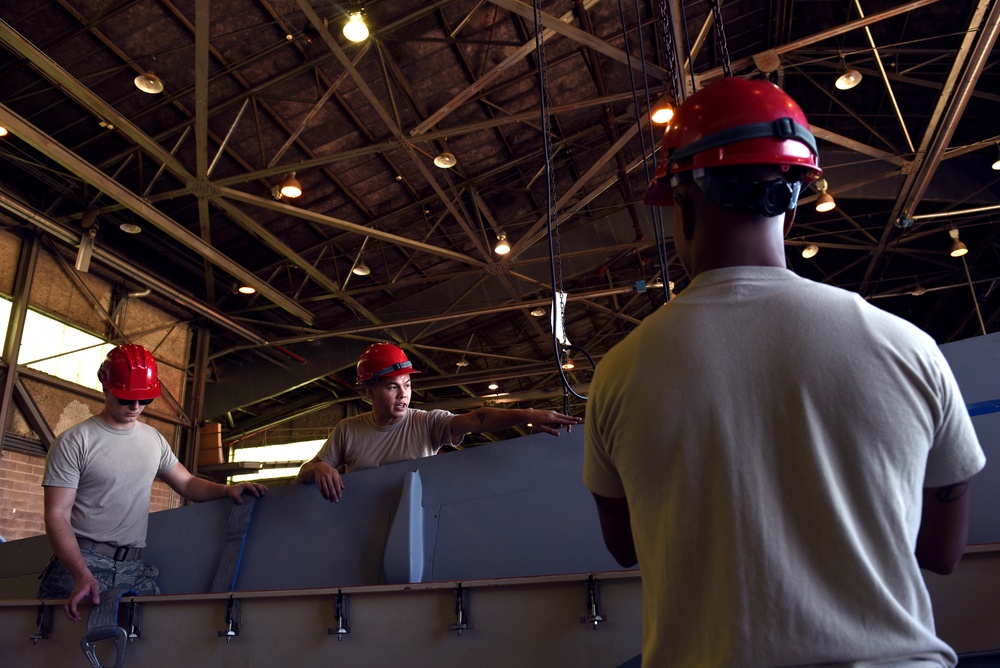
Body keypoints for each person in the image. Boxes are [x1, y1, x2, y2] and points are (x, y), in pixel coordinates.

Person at [583, 77, 986, 667]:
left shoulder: (620, 373)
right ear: (791, 204)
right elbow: (943, 553)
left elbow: (624, 548)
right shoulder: (909, 347)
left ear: (685, 200)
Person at [39, 344, 267, 622]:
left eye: (144, 400)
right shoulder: (75, 442)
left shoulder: (154, 440)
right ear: (105, 386)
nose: (135, 407)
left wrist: (227, 490)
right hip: (83, 563)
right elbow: (57, 515)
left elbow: (188, 484)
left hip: (133, 565)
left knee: (152, 636)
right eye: (126, 399)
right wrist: (80, 574)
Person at [297, 342, 582, 501]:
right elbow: (303, 474)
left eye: (407, 385)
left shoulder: (426, 423)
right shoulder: (348, 430)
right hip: (357, 523)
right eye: (392, 387)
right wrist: (321, 467)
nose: (403, 394)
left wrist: (527, 415)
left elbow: (477, 420)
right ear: (369, 390)